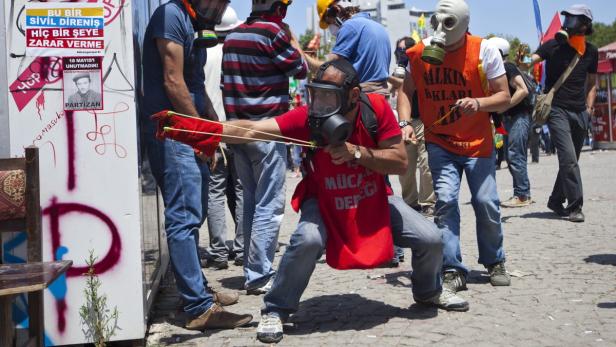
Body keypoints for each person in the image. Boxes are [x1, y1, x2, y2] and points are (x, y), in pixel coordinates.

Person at [154, 58, 469, 344]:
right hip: (323, 201)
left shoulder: (376, 109)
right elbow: (251, 131)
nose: (319, 104)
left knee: (430, 238)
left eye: (328, 96)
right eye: (316, 94)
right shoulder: (310, 117)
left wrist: (357, 153)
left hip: (373, 201)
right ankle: (276, 309)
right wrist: (197, 129)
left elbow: (400, 161)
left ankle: (428, 292)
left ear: (353, 95)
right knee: (306, 240)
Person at [140, 0, 252, 330]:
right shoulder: (171, 16)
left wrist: (216, 129)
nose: (225, 5)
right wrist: (201, 135)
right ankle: (197, 306)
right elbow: (173, 82)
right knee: (184, 215)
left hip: (188, 130)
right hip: (172, 131)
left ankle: (195, 289)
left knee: (196, 209)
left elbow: (196, 85)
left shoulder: (194, 22)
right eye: (223, 1)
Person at [399, 0, 512, 293]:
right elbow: (405, 91)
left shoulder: (483, 50)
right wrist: (405, 122)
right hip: (440, 142)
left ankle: (494, 260)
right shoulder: (420, 53)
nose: (439, 31)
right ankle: (452, 268)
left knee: (486, 202)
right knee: (445, 202)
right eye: (437, 22)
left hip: (477, 143)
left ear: (463, 24)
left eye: (448, 24)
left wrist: (478, 103)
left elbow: (504, 96)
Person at [222, 0, 308, 295]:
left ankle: (251, 267)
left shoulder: (232, 36)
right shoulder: (274, 33)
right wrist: (293, 39)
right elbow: (300, 69)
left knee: (249, 200)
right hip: (267, 131)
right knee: (268, 205)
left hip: (238, 132)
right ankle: (258, 274)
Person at [530, 4, 598, 223]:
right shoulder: (553, 45)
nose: (568, 23)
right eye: (567, 18)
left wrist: (588, 109)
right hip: (556, 109)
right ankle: (575, 206)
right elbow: (532, 59)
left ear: (585, 25)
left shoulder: (591, 51)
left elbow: (592, 84)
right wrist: (524, 57)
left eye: (574, 19)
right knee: (568, 159)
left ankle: (555, 199)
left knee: (572, 160)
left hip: (580, 112)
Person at [201, 6, 245, 270]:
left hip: (210, 129)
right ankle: (241, 248)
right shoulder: (234, 53)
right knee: (240, 189)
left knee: (215, 191)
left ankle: (218, 251)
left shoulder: (200, 53)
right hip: (236, 129)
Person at [304, 0, 391, 95]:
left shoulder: (349, 27)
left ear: (336, 9)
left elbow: (327, 68)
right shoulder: (377, 26)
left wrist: (302, 54)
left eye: (329, 22)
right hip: (382, 95)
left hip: (365, 98)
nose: (331, 28)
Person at [488, 37, 533, 207]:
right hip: (511, 117)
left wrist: (505, 106)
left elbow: (523, 90)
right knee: (511, 155)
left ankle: (522, 195)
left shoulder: (507, 67)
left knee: (515, 154)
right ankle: (522, 193)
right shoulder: (500, 68)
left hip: (519, 116)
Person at [395, 37, 437, 217]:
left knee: (427, 163)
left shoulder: (422, 66)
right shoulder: (398, 71)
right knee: (406, 165)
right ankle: (410, 202)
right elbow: (395, 90)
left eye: (406, 50)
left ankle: (429, 202)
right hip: (405, 122)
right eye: (399, 51)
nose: (403, 54)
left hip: (425, 121)